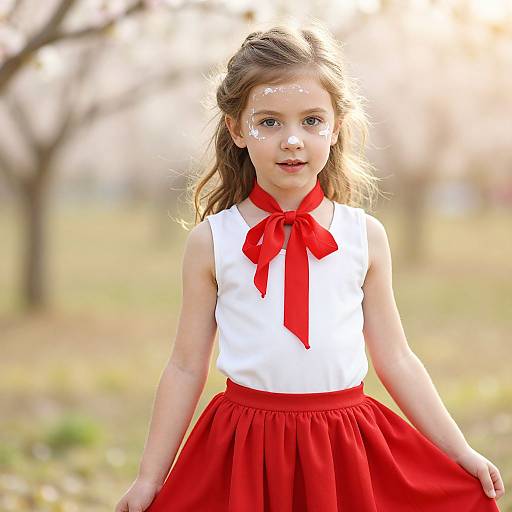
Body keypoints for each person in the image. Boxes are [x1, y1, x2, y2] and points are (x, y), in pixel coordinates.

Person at [115, 20, 505, 512]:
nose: (293, 140)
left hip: (343, 443)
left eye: (312, 121)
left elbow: (397, 359)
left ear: (336, 125)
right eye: (270, 121)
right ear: (237, 129)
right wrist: (150, 476)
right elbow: (186, 365)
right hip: (246, 444)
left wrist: (459, 450)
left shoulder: (365, 237)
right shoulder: (212, 241)